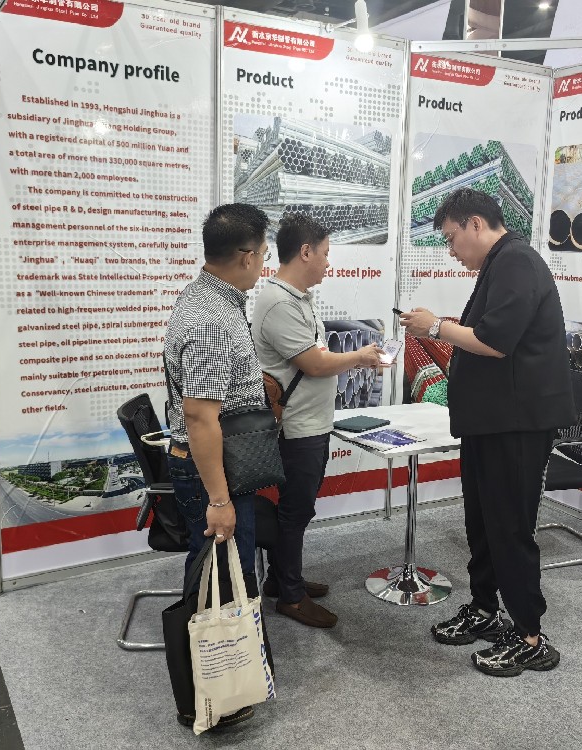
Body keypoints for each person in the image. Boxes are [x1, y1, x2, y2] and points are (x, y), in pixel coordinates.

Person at [400, 188, 576, 677]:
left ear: (475, 224)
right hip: (489, 423)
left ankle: (530, 636)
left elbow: (494, 342)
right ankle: (484, 608)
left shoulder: (517, 262)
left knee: (509, 527)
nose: (451, 250)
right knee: (481, 523)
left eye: (451, 238)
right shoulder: (499, 265)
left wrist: (436, 327)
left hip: (516, 426)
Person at [162, 203, 271, 729]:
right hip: (213, 472)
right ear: (246, 256)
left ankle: (216, 685)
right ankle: (207, 697)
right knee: (218, 576)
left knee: (219, 571)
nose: (264, 265)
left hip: (220, 465)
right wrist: (220, 500)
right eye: (264, 255)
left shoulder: (213, 299)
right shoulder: (211, 320)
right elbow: (200, 418)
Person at [252, 213, 384, 628]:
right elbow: (314, 363)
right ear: (305, 252)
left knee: (298, 509)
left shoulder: (296, 298)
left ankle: (282, 579)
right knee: (295, 511)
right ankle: (290, 596)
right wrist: (361, 356)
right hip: (297, 428)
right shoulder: (278, 302)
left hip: (310, 422)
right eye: (325, 254)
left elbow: (315, 355)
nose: (329, 262)